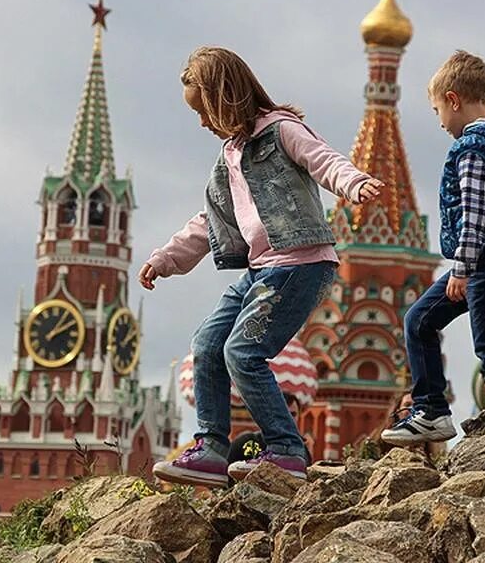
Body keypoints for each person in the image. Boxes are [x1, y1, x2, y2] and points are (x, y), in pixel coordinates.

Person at [140, 47, 383, 486]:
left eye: (203, 111)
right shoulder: (229, 156)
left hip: (300, 264)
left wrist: (353, 182)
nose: (202, 123)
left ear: (224, 97)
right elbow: (211, 220)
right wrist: (165, 258)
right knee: (207, 344)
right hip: (259, 270)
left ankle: (287, 450)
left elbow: (322, 159)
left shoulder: (281, 130)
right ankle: (211, 448)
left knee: (243, 352)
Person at [382, 50, 485, 444]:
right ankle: (431, 409)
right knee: (420, 321)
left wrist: (463, 269)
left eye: (437, 110)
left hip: (483, 258)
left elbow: (477, 213)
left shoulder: (473, 149)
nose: (439, 122)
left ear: (453, 100)